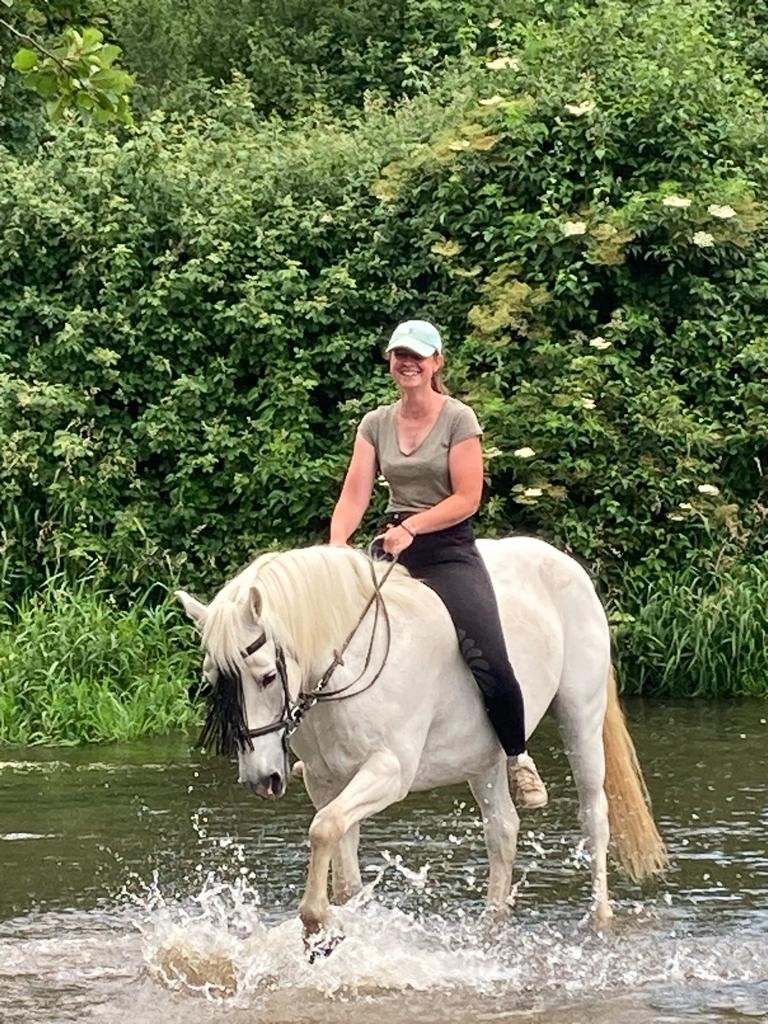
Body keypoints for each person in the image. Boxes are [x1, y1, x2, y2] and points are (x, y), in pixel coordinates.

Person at [329, 318, 548, 810]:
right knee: (333, 636)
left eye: (418, 356)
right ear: (390, 361)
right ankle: (327, 749)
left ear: (436, 363)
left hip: (446, 547)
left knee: (487, 653)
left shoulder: (458, 419)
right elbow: (355, 492)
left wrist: (414, 528)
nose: (408, 363)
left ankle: (518, 757)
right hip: (392, 543)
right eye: (399, 355)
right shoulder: (375, 424)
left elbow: (468, 498)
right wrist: (338, 543)